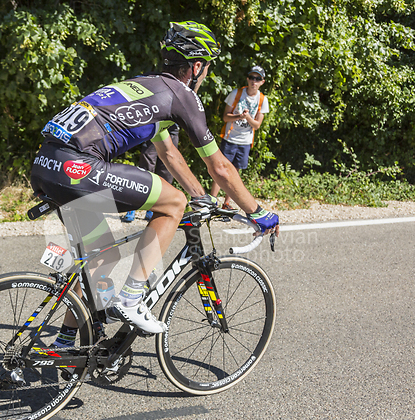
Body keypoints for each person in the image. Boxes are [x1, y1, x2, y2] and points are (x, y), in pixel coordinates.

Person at [30, 21, 279, 337]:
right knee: (174, 203)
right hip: (76, 166)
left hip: (45, 163)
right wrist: (258, 213)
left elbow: (170, 155)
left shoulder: (146, 87)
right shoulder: (180, 95)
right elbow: (221, 168)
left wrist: (203, 197)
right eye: (206, 68)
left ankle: (64, 344)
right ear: (196, 65)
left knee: (101, 260)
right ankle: (132, 299)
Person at [211, 66, 269, 210]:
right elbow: (225, 117)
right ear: (247, 79)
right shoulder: (236, 93)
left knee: (235, 174)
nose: (253, 82)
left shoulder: (262, 99)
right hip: (230, 138)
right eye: (251, 78)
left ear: (262, 82)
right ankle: (212, 202)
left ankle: (227, 203)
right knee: (220, 171)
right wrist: (239, 116)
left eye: (257, 79)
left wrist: (247, 117)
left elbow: (257, 125)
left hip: (245, 142)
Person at [122, 124, 179, 222]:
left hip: (172, 127)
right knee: (146, 166)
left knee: (167, 170)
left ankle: (155, 209)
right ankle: (134, 205)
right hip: (157, 124)